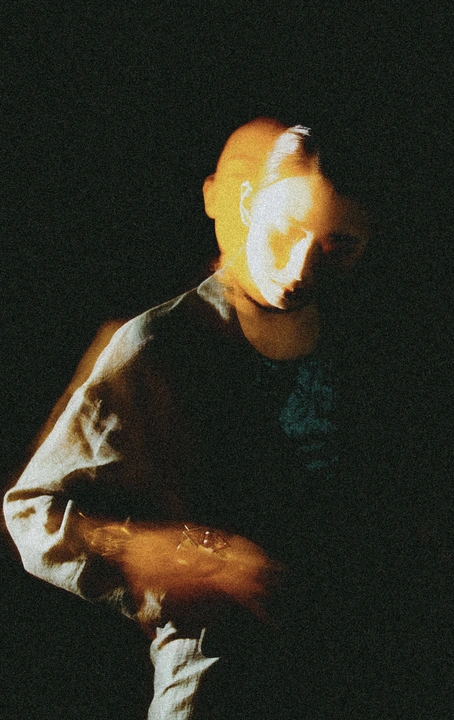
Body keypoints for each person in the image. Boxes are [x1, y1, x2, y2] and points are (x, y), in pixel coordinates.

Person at [4, 117, 373, 719]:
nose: (302, 268)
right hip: (216, 691)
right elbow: (31, 513)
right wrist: (182, 556)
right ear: (249, 203)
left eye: (339, 246)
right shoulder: (160, 344)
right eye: (286, 231)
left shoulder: (372, 345)